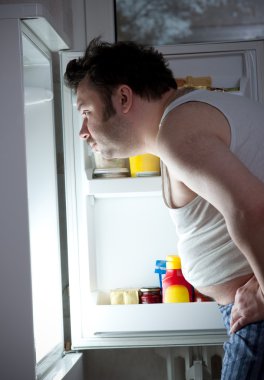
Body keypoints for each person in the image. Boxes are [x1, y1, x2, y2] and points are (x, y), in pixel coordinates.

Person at [64, 38, 264, 379]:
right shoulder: (187, 119)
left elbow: (252, 208)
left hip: (256, 312)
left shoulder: (179, 130)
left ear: (123, 98)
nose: (83, 131)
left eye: (87, 113)